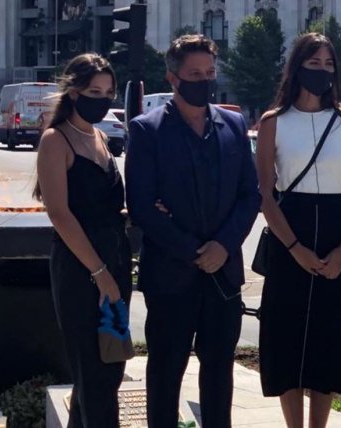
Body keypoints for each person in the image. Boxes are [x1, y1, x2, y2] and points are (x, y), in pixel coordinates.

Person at [125, 34, 260, 428]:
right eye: (195, 73)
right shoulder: (146, 130)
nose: (204, 80)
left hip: (223, 275)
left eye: (210, 72)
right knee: (165, 374)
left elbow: (250, 196)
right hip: (170, 276)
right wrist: (193, 252)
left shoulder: (233, 124)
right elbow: (142, 207)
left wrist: (223, 245)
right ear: (173, 77)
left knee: (219, 375)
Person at [256, 33, 341, 428]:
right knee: (285, 338)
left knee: (331, 339)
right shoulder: (273, 123)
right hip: (292, 234)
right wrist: (294, 248)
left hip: (337, 233)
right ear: (297, 66)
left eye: (328, 64)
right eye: (314, 63)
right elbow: (267, 197)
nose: (321, 71)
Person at [33, 53, 131, 427]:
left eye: (109, 92)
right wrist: (101, 273)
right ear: (74, 92)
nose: (103, 99)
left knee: (111, 366)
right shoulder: (55, 141)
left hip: (116, 264)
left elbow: (107, 205)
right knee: (92, 373)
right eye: (95, 91)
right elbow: (60, 214)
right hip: (80, 270)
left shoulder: (102, 137)